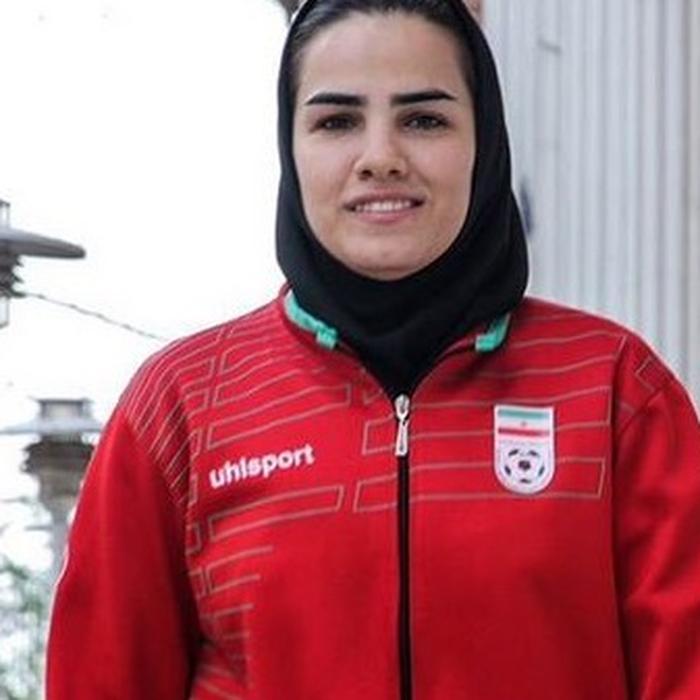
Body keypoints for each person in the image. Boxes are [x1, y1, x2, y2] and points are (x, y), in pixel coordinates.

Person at [46, 0, 700, 697]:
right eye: (337, 121)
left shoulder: (613, 391)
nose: (381, 158)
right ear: (289, 146)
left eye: (424, 119)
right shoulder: (181, 408)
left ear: (484, 141)